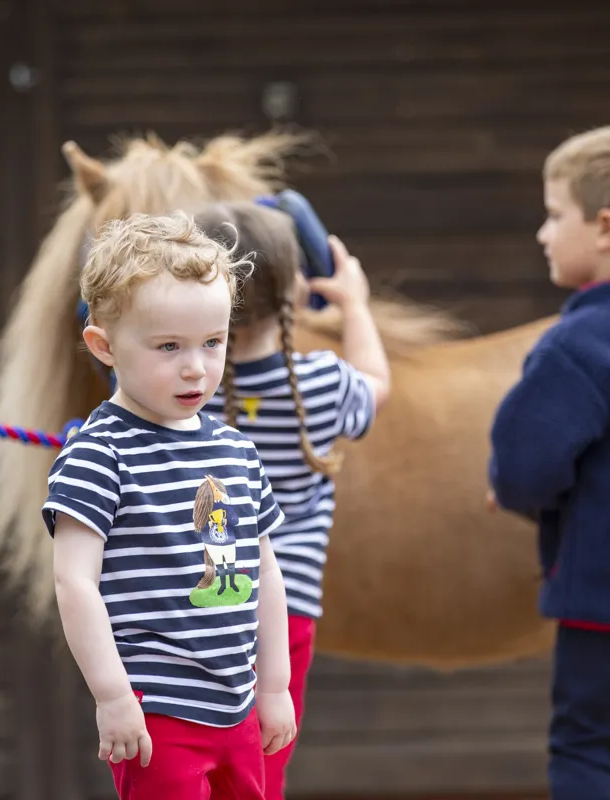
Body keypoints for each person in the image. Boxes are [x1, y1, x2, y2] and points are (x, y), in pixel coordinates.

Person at [42, 211, 296, 799]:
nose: (196, 367)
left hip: (238, 704)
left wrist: (274, 684)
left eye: (213, 342)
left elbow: (266, 570)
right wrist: (112, 695)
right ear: (104, 346)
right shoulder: (97, 455)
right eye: (168, 346)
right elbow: (74, 583)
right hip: (155, 714)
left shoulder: (235, 448)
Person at [197, 201, 391, 798]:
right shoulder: (323, 384)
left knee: (196, 752)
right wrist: (354, 304)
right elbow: (377, 386)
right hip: (288, 615)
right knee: (260, 766)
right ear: (297, 290)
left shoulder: (183, 392)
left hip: (198, 607)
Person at [487, 125, 610, 799]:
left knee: (588, 749)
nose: (542, 232)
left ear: (604, 228)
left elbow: (525, 465)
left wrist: (515, 493)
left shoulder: (577, 346)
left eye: (555, 213)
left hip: (601, 604)